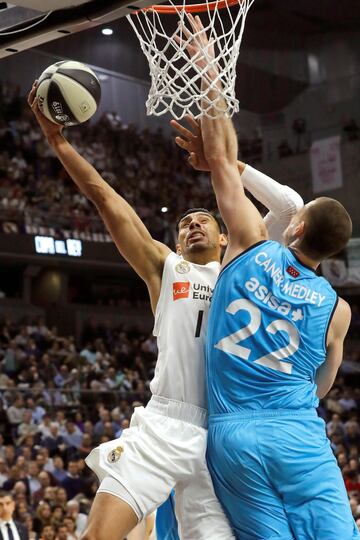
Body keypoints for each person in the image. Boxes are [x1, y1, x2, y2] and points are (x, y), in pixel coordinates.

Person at [27, 83, 302, 540]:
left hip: (221, 437)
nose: (193, 224)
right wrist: (58, 141)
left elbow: (290, 208)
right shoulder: (166, 267)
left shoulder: (247, 268)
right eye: (184, 224)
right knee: (97, 536)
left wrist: (225, 163)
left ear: (223, 238)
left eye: (204, 220)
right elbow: (106, 199)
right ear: (176, 243)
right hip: (164, 423)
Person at [182, 14, 358, 540]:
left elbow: (220, 157)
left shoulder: (247, 249)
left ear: (297, 228)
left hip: (234, 436)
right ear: (332, 252)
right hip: (298, 433)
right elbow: (323, 384)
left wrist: (209, 67)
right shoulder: (337, 309)